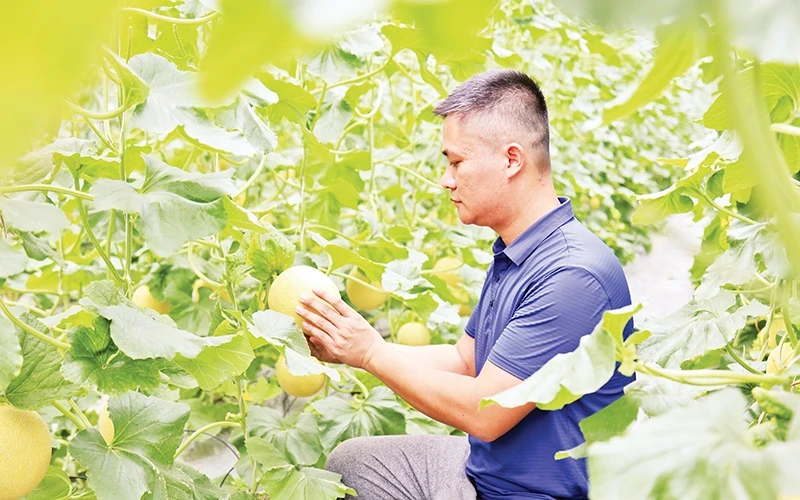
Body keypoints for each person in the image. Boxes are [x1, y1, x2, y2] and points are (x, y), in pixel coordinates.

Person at [295, 69, 635, 500]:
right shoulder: (520, 250)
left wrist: (371, 353)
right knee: (355, 463)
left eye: (457, 161)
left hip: (531, 494)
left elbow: (484, 413)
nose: (446, 179)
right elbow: (466, 359)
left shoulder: (571, 275)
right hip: (486, 471)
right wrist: (347, 345)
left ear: (512, 160)